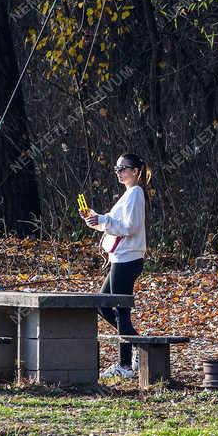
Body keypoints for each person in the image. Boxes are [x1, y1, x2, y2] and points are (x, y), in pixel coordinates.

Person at [81, 154, 148, 382]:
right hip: (120, 258)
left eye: (124, 168)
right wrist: (95, 219)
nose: (119, 172)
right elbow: (112, 224)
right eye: (117, 168)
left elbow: (130, 227)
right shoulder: (128, 195)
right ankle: (139, 345)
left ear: (136, 171)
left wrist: (104, 220)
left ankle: (126, 365)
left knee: (120, 310)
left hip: (128, 259)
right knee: (103, 304)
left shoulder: (136, 193)